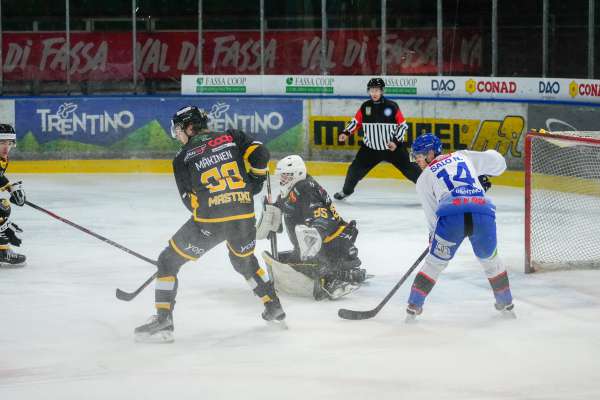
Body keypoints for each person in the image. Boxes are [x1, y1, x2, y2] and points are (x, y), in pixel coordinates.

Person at [134, 106, 286, 343]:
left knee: (168, 261)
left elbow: (191, 202)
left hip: (211, 222)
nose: (178, 135)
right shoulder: (232, 137)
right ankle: (273, 306)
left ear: (188, 127)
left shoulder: (182, 157)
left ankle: (164, 319)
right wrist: (254, 182)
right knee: (243, 261)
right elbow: (260, 153)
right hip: (244, 216)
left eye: (178, 129)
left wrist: (212, 209)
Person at [405, 133, 514, 321]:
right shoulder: (462, 156)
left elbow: (433, 215)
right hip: (482, 211)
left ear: (431, 153)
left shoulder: (423, 179)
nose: (417, 160)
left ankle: (414, 305)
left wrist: (433, 237)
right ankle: (506, 302)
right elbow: (499, 163)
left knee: (434, 263)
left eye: (419, 155)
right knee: (491, 260)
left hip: (451, 216)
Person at [256, 155, 367, 300]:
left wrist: (315, 234)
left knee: (299, 265)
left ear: (296, 174)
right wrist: (271, 210)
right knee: (288, 262)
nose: (281, 179)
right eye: (281, 176)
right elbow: (279, 222)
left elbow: (323, 216)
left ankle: (337, 276)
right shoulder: (292, 189)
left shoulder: (306, 188)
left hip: (333, 245)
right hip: (318, 246)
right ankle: (341, 271)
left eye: (285, 176)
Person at [334, 77, 421, 200]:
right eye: (372, 90)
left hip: (393, 149)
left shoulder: (392, 106)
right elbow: (356, 122)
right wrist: (346, 132)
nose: (374, 93)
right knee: (354, 171)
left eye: (377, 90)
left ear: (382, 91)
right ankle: (346, 191)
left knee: (413, 170)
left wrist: (395, 142)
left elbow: (403, 126)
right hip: (370, 149)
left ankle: (431, 191)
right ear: (369, 91)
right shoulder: (365, 106)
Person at [0, 124, 26, 268]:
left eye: (9, 143)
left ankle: (1, 251)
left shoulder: (3, 159)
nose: (6, 147)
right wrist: (11, 188)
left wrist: (5, 227)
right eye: (2, 142)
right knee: (2, 208)